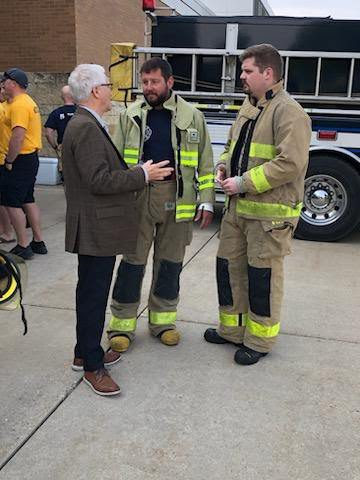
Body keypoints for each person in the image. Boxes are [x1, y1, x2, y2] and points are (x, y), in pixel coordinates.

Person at [62, 63, 173, 396]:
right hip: (96, 228)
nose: (112, 89)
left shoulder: (86, 123)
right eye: (108, 84)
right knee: (93, 296)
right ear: (97, 90)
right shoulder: (84, 127)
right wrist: (142, 175)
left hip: (97, 227)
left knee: (90, 292)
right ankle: (92, 366)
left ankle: (85, 353)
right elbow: (99, 180)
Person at [204, 44, 311, 365]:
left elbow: (290, 163)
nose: (242, 77)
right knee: (229, 271)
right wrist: (224, 166)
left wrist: (243, 183)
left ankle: (260, 341)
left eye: (248, 71)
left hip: (268, 218)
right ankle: (232, 331)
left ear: (268, 73)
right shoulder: (249, 107)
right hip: (238, 213)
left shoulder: (290, 112)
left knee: (262, 280)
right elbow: (234, 148)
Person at [107, 57, 215, 354]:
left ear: (170, 82)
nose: (149, 88)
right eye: (144, 82)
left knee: (169, 264)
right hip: (138, 198)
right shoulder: (130, 115)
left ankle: (163, 323)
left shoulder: (193, 116)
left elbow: (205, 163)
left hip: (177, 200)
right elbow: (116, 161)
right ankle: (121, 325)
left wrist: (206, 201)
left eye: (154, 82)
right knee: (132, 263)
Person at [0, 68, 47, 260]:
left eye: (5, 81)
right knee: (28, 200)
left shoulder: (19, 104)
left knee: (12, 204)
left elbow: (18, 136)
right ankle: (38, 241)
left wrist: (10, 160)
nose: (3, 84)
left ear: (14, 84)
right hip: (29, 158)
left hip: (19, 159)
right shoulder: (25, 102)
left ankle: (23, 244)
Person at [44, 85, 76, 180]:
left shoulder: (56, 113)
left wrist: (55, 146)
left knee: (66, 176)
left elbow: (48, 133)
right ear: (74, 95)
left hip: (63, 147)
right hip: (80, 146)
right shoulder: (81, 112)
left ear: (62, 97)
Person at [0, 84, 15, 244]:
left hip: (2, 157)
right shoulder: (6, 107)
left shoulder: (3, 108)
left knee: (3, 200)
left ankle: (7, 232)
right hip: (5, 156)